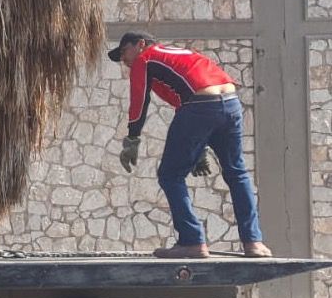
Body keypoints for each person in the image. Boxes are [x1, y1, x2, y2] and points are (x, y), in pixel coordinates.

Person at [111, 32, 271, 259]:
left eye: (124, 52)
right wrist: (200, 149)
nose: (123, 60)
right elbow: (188, 97)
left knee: (170, 175)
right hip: (231, 102)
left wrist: (132, 139)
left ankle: (192, 240)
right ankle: (254, 242)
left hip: (201, 107)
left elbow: (139, 101)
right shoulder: (180, 54)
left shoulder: (145, 59)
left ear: (141, 44)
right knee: (237, 173)